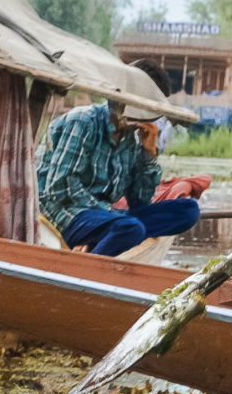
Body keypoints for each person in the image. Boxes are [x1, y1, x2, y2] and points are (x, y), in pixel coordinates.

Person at [36, 61, 200, 257]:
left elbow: (140, 201)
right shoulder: (82, 121)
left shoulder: (132, 137)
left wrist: (149, 154)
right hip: (66, 214)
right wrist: (110, 213)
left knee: (189, 211)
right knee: (132, 228)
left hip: (109, 218)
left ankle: (104, 238)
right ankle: (89, 261)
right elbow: (61, 187)